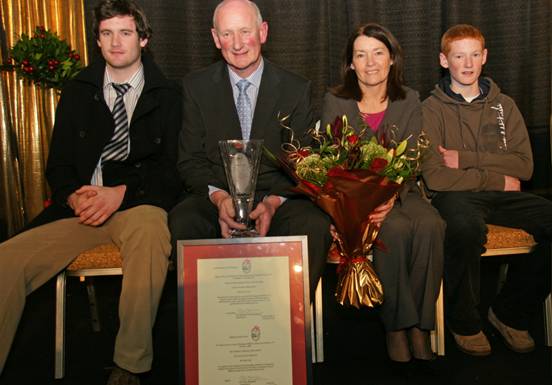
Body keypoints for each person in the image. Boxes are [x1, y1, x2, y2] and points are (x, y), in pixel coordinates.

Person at [0, 0, 182, 383]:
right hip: (81, 208)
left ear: (144, 39)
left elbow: (172, 170)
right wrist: (71, 196)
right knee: (7, 258)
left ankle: (130, 364)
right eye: (106, 33)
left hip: (137, 204)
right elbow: (59, 164)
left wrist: (121, 192)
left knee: (151, 231)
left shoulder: (168, 95)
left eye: (126, 32)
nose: (116, 43)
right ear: (97, 40)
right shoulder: (79, 89)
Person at [169, 0, 332, 296]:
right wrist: (220, 200)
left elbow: (304, 163)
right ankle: (209, 331)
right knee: (184, 222)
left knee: (315, 226)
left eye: (245, 31)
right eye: (227, 34)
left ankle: (287, 326)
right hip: (216, 195)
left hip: (277, 196)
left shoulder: (296, 88)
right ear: (216, 39)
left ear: (263, 32)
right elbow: (189, 161)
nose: (238, 44)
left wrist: (271, 203)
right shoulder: (196, 86)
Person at [422, 24, 552, 357]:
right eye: (458, 56)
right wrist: (497, 176)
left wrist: (465, 159)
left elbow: (524, 167)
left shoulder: (504, 105)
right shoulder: (430, 109)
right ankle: (464, 322)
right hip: (456, 197)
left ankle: (510, 313)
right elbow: (436, 177)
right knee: (464, 228)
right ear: (443, 60)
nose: (467, 64)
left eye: (474, 55)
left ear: (485, 57)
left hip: (504, 196)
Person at [321, 23, 445, 364]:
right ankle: (396, 327)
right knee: (394, 230)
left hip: (403, 191)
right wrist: (365, 202)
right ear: (350, 64)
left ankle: (421, 327)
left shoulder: (410, 99)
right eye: (360, 55)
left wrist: (389, 194)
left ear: (392, 60)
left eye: (378, 53)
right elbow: (336, 161)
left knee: (431, 226)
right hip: (357, 200)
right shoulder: (335, 101)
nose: (370, 62)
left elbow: (410, 159)